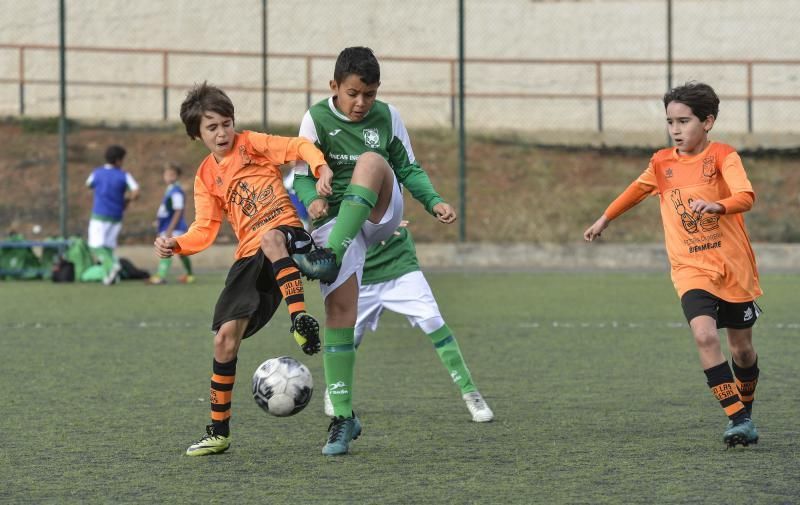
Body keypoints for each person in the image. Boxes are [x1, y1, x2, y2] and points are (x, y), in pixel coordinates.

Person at [291, 46, 458, 455]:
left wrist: (432, 200)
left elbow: (407, 167)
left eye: (369, 94)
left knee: (369, 160)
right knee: (339, 314)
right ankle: (343, 419)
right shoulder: (314, 118)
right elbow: (301, 177)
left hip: (381, 211)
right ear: (334, 86)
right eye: (352, 94)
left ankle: (328, 255)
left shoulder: (388, 117)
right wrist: (314, 200)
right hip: (337, 222)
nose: (361, 103)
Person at [154, 82, 328, 456]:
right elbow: (205, 229)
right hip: (249, 257)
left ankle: (300, 319)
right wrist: (176, 244)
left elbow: (298, 146)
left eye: (226, 123)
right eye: (211, 127)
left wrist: (319, 165)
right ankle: (219, 432)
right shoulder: (205, 176)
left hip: (285, 234)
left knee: (270, 238)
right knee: (224, 339)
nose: (222, 133)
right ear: (197, 134)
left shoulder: (251, 144)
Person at [584, 81, 761, 448]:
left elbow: (746, 195)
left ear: (707, 121)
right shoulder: (662, 162)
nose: (676, 130)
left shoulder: (724, 156)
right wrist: (605, 217)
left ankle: (744, 409)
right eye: (670, 122)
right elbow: (636, 190)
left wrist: (719, 205)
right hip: (690, 268)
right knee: (704, 335)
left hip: (733, 267)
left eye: (684, 121)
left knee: (742, 350)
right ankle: (737, 418)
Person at [85, 144, 139, 285]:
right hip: (116, 216)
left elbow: (88, 184)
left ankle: (113, 266)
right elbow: (136, 191)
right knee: (108, 246)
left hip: (100, 214)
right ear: (118, 160)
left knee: (95, 245)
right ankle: (111, 276)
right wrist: (126, 201)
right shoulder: (124, 175)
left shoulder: (97, 172)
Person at [148, 162, 194, 284]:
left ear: (177, 176)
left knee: (166, 248)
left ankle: (160, 276)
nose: (169, 176)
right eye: (167, 174)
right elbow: (167, 209)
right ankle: (189, 275)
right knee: (181, 252)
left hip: (174, 227)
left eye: (172, 174)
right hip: (169, 226)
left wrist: (170, 228)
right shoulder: (170, 190)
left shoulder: (176, 191)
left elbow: (178, 210)